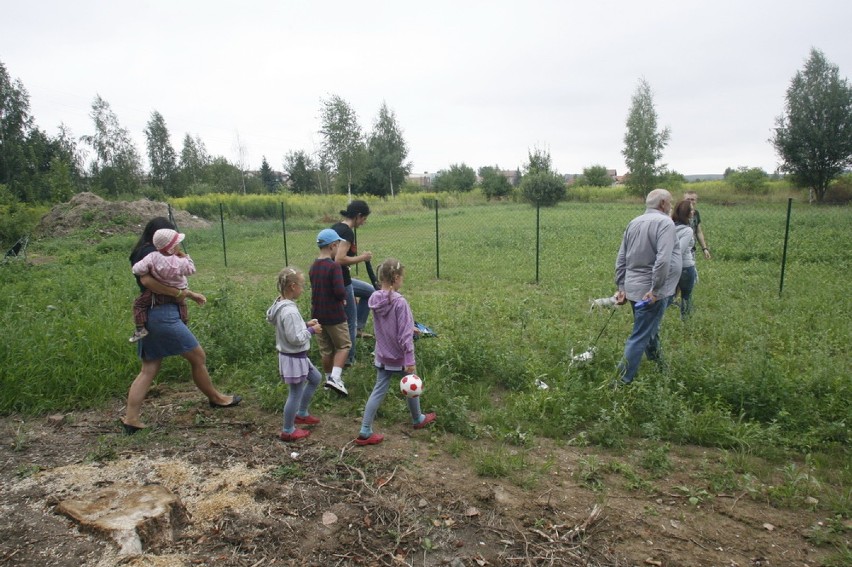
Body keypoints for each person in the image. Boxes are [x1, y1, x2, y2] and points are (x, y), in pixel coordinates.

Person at [122, 218, 240, 435]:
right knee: (197, 357)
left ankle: (131, 418)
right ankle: (216, 398)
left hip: (151, 314)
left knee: (149, 368)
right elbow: (148, 282)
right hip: (162, 313)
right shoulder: (150, 253)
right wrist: (180, 293)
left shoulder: (146, 251)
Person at [355, 258, 436, 446]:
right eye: (402, 277)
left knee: (378, 391)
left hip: (382, 355)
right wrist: (409, 359)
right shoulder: (400, 303)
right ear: (396, 278)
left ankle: (365, 430)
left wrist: (408, 329)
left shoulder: (375, 299)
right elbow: (404, 335)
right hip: (400, 357)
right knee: (412, 383)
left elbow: (388, 326)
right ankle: (417, 419)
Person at [614, 189, 683, 385]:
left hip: (634, 288)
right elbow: (662, 261)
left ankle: (660, 365)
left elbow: (621, 257)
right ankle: (621, 380)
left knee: (648, 330)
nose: (671, 205)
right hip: (650, 292)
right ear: (662, 204)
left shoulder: (634, 222)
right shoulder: (665, 223)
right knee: (640, 335)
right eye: (670, 201)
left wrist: (622, 286)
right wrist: (656, 290)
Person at [267, 266, 323, 442]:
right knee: (295, 393)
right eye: (301, 285)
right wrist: (312, 331)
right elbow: (295, 338)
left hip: (296, 356)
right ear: (292, 286)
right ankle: (288, 430)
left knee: (315, 378)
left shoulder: (280, 305)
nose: (303, 289)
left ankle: (302, 413)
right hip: (294, 358)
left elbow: (289, 330)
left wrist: (304, 324)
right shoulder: (289, 311)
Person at [129, 228, 197, 342]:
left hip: (158, 292)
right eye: (177, 244)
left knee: (139, 304)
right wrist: (186, 257)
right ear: (172, 248)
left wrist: (141, 271)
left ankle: (140, 328)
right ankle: (184, 322)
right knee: (182, 303)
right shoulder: (180, 261)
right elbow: (191, 270)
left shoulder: (152, 257)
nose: (179, 245)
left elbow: (137, 269)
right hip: (179, 290)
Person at [331, 200, 374, 366]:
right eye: (364, 219)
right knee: (350, 319)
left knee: (370, 292)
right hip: (341, 280)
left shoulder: (335, 227)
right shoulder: (347, 232)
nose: (364, 222)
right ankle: (349, 359)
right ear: (358, 216)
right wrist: (363, 258)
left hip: (338, 277)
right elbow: (339, 258)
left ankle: (358, 329)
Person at [309, 228, 351, 396]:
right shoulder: (334, 267)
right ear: (333, 245)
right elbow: (340, 291)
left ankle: (328, 382)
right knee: (344, 346)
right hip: (335, 315)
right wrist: (344, 298)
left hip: (318, 316)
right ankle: (335, 378)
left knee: (326, 350)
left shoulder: (313, 266)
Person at [672, 200, 697, 320]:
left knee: (668, 296)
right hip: (686, 267)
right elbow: (680, 250)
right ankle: (685, 321)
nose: (693, 212)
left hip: (671, 266)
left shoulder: (670, 227)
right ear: (685, 213)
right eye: (691, 210)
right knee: (686, 296)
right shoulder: (687, 230)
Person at [683, 191, 711, 260]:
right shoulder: (678, 214)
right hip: (681, 250)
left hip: (692, 249)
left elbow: (698, 232)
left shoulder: (696, 214)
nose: (690, 201)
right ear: (683, 200)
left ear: (696, 201)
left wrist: (704, 248)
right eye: (688, 199)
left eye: (692, 199)